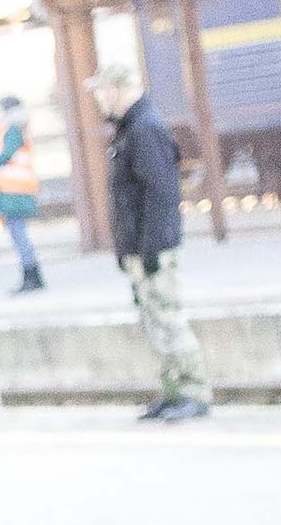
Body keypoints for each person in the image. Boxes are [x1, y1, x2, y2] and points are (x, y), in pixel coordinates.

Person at [90, 62, 210, 422]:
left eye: (101, 91)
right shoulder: (132, 129)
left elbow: (160, 195)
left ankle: (193, 392)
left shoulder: (144, 130)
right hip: (140, 250)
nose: (98, 100)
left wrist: (151, 251)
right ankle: (174, 393)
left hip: (152, 250)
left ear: (116, 90)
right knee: (155, 322)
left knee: (168, 320)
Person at [0, 95, 47, 295]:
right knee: (18, 233)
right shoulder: (10, 131)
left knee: (19, 235)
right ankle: (31, 274)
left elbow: (2, 157)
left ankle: (31, 274)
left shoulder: (12, 132)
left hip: (14, 192)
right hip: (12, 191)